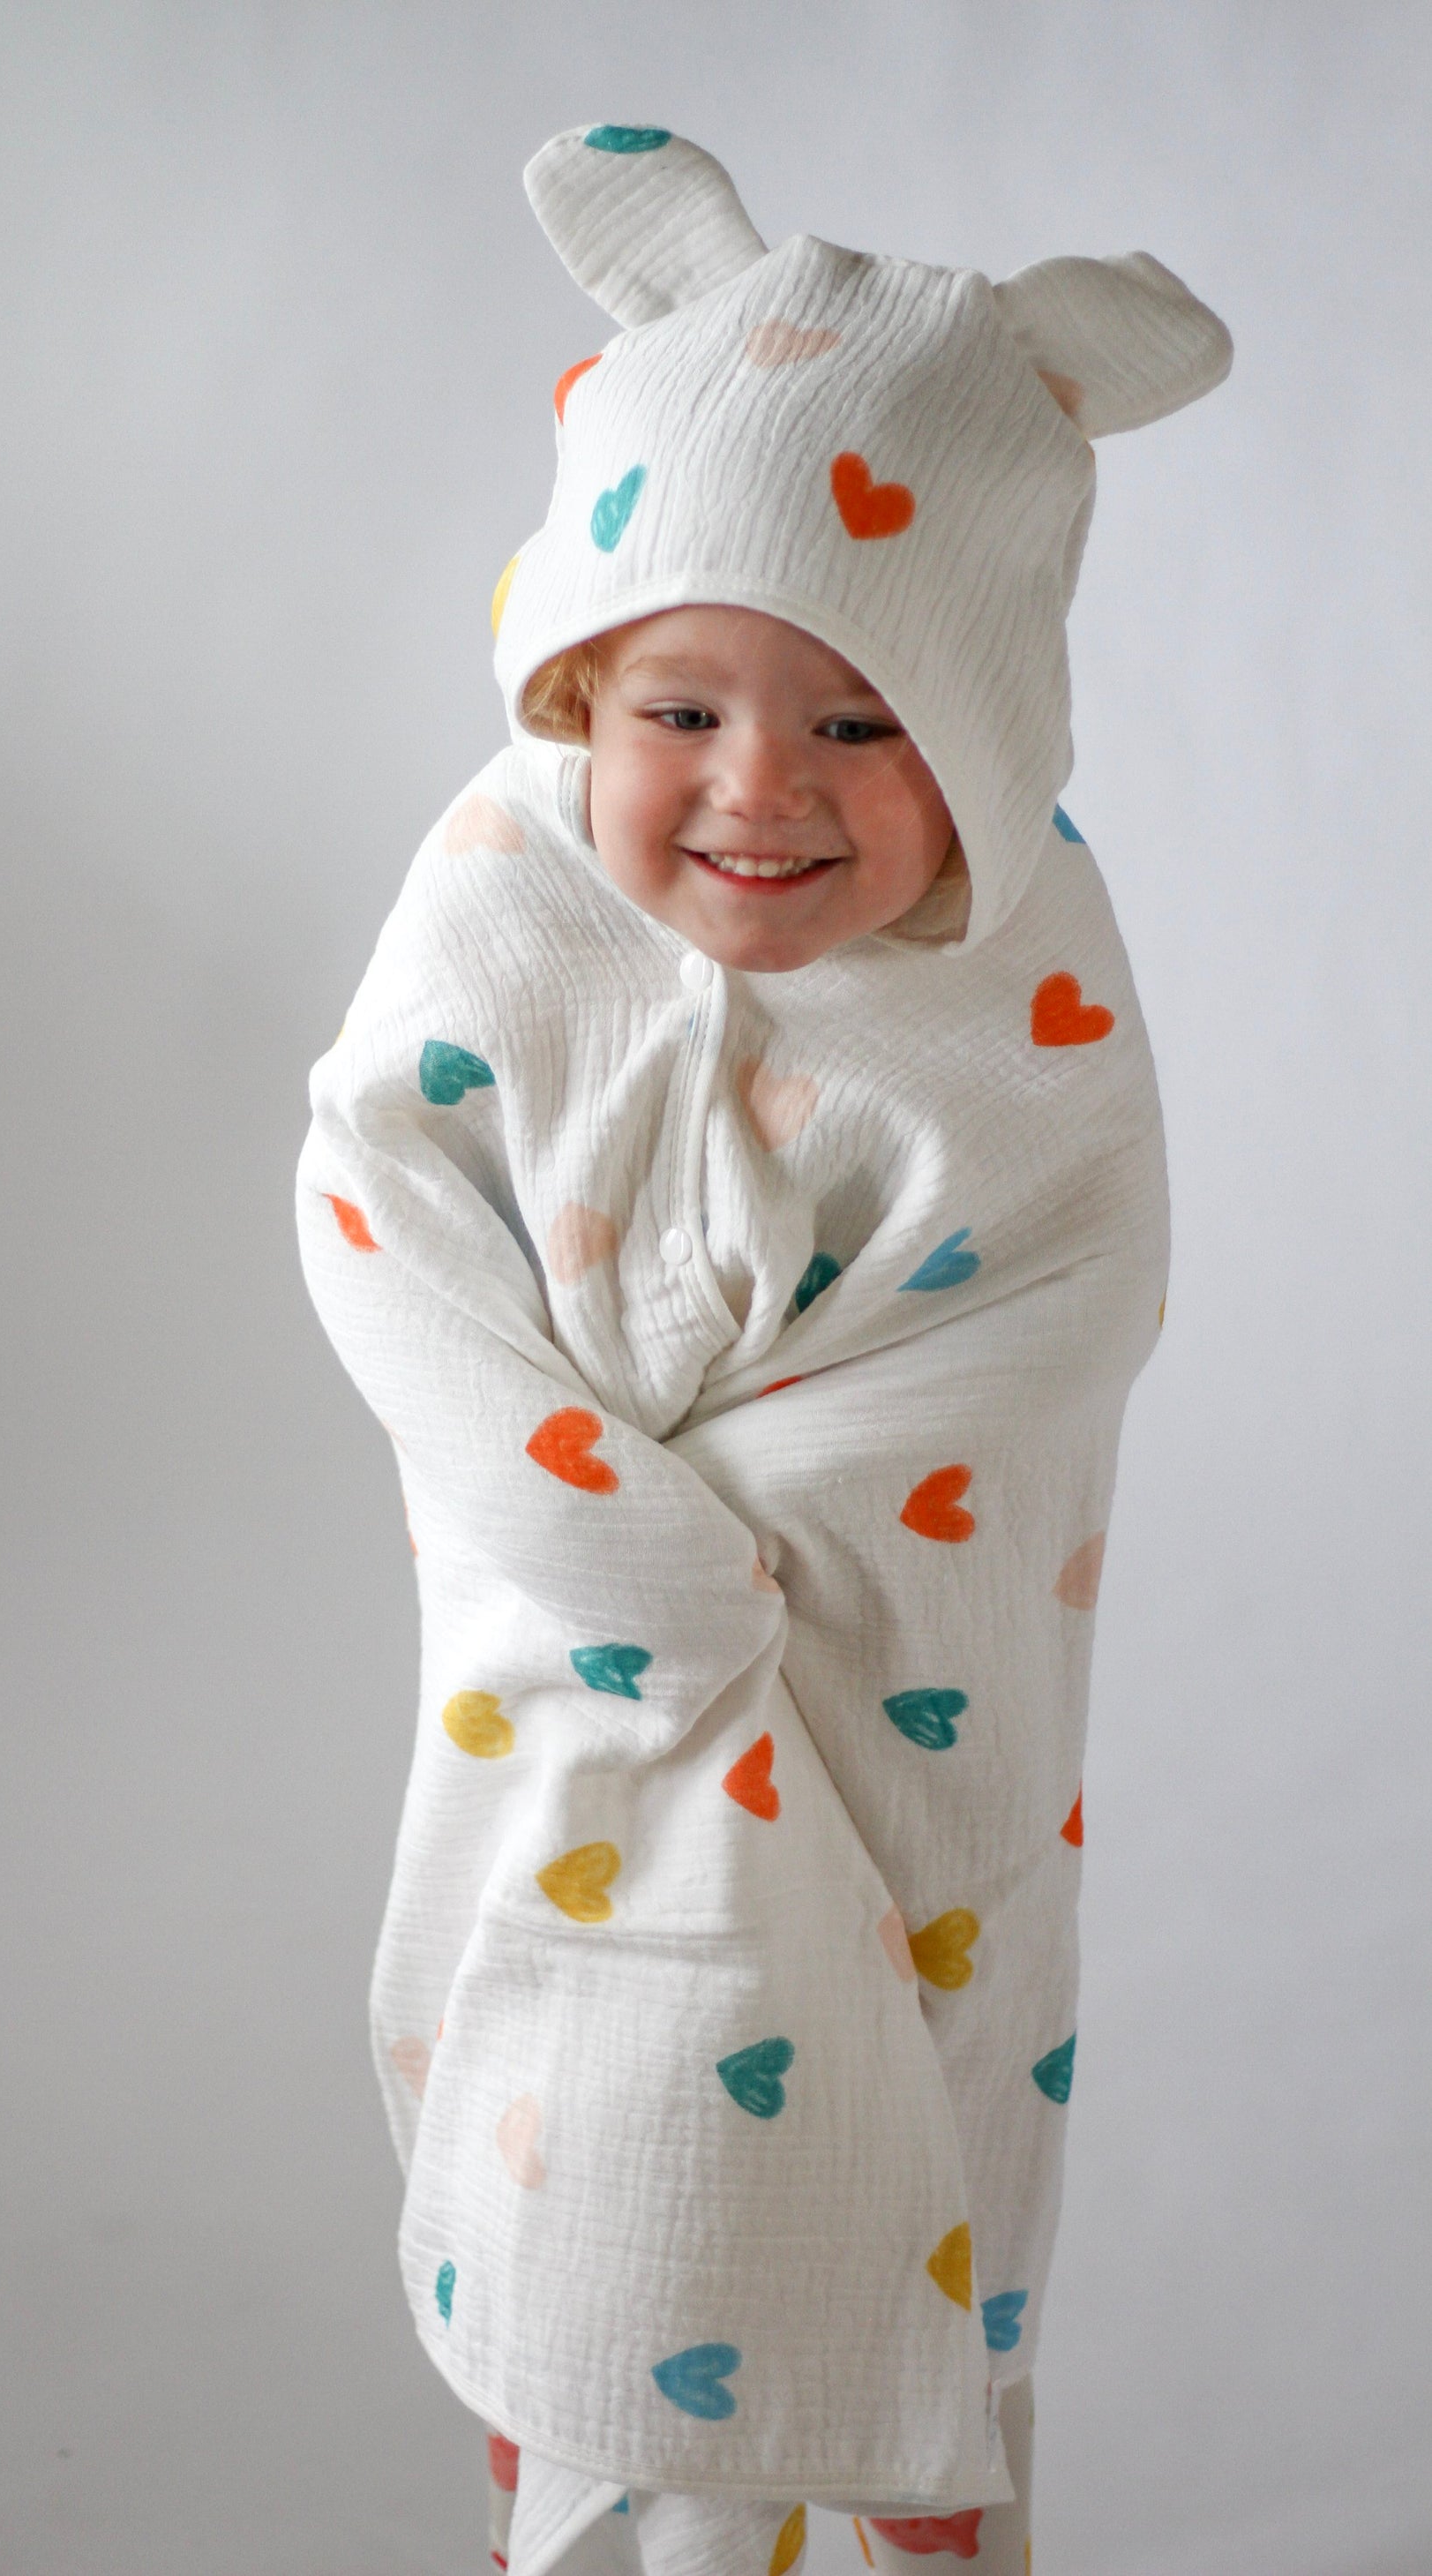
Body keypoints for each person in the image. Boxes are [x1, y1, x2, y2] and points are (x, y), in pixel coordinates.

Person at [296, 125, 1230, 2576]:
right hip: (578, 1697)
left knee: (897, 2172)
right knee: (592, 2177)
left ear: (995, 730)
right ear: (575, 681)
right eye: (682, 706)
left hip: (902, 1733)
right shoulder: (499, 893)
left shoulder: (1022, 973)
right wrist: (592, 1525)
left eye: (857, 725)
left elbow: (1061, 1302)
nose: (753, 793)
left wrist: (748, 1543)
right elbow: (376, 1201)